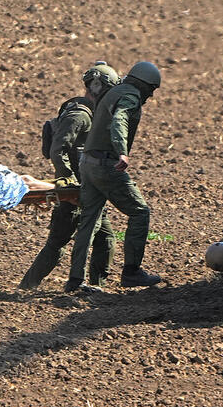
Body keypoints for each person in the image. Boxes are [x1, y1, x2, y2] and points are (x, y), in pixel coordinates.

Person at [18, 62, 121, 291]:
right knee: (58, 242)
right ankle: (28, 286)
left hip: (89, 188)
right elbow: (58, 149)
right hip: (76, 191)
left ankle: (97, 286)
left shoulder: (92, 114)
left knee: (105, 239)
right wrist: (69, 181)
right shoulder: (79, 116)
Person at [65, 61, 162, 292]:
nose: (150, 95)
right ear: (145, 84)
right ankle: (131, 272)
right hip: (105, 164)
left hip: (87, 162)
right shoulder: (130, 95)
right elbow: (120, 120)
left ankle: (75, 281)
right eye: (151, 89)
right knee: (140, 212)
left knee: (88, 221)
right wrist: (122, 151)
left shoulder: (114, 91)